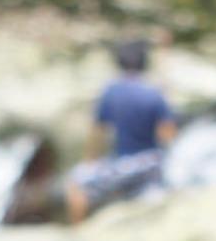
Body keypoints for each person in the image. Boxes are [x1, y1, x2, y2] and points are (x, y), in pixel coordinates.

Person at [65, 39, 178, 223]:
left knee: (76, 182)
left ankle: (78, 231)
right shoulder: (155, 93)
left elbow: (97, 133)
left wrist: (91, 160)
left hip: (122, 163)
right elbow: (168, 135)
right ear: (144, 63)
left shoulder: (111, 92)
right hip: (153, 166)